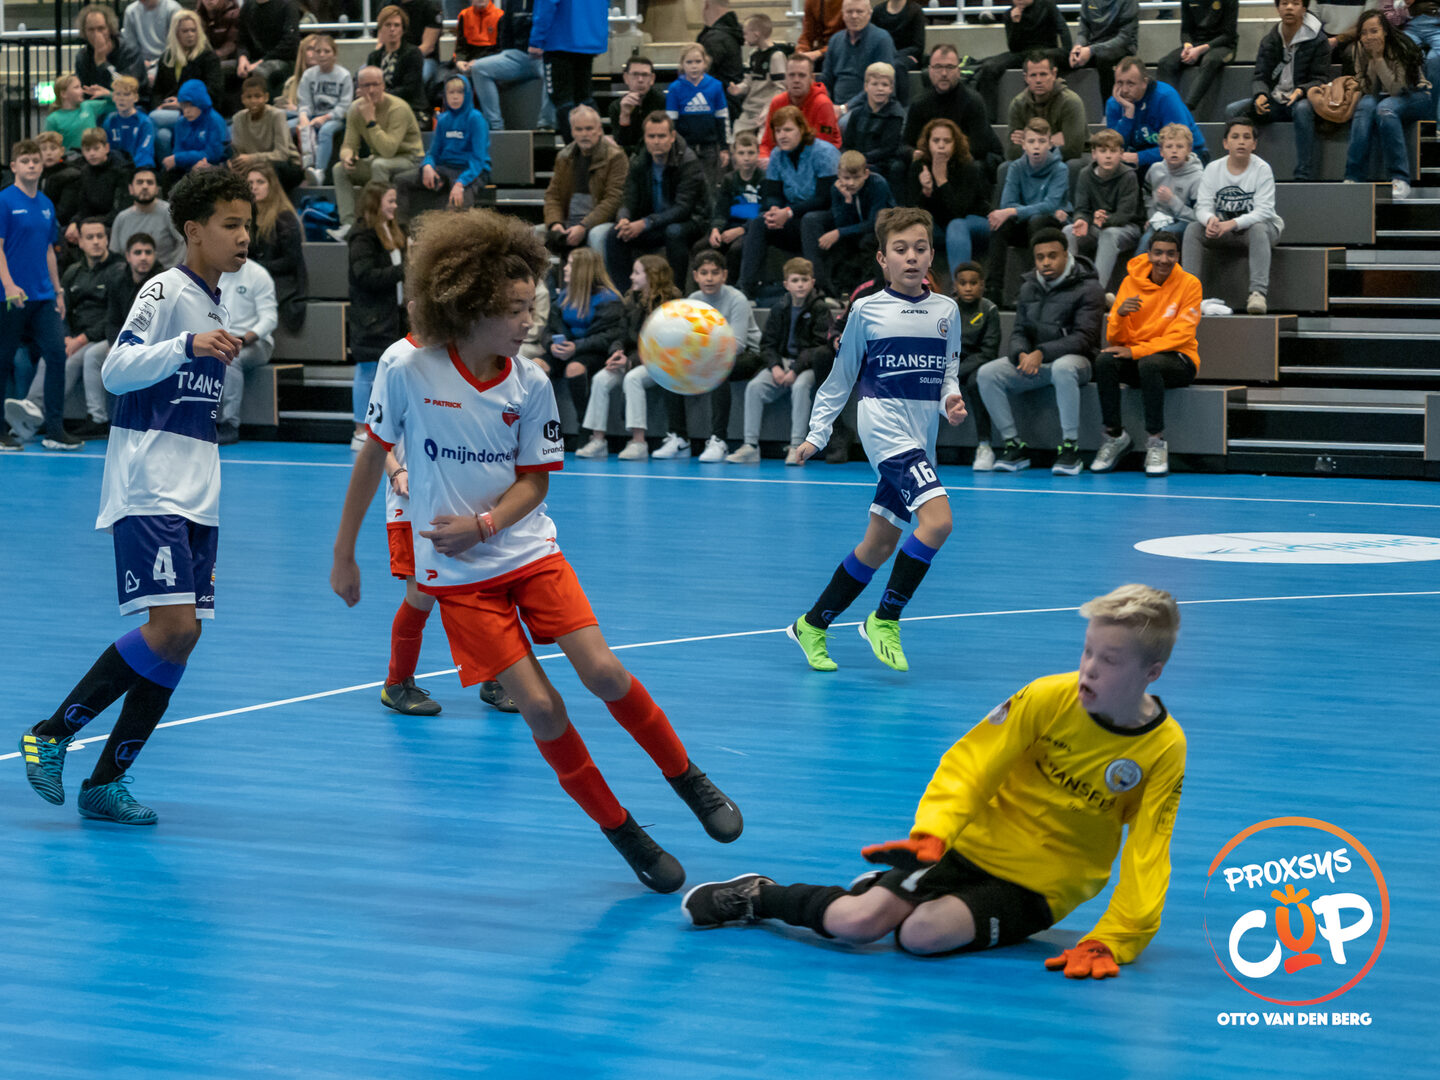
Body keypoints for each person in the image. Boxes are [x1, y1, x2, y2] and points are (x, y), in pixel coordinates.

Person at [330, 208, 744, 891]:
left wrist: (484, 525)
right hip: (458, 577)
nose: (529, 322)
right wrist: (344, 553)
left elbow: (535, 483)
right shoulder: (405, 367)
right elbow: (372, 457)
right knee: (543, 708)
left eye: (531, 306)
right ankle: (624, 832)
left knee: (603, 671)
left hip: (526, 552)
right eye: (515, 310)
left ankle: (688, 778)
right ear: (469, 307)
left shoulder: (531, 383)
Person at [684, 584, 1187, 982]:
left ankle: (892, 895)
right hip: (970, 848)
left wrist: (1116, 937)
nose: (1088, 670)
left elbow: (1149, 849)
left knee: (920, 937)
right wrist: (934, 832)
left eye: (1110, 661)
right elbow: (972, 765)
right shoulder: (1046, 698)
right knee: (858, 924)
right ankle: (758, 895)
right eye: (1087, 652)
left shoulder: (1163, 748)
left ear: (1153, 672)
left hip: (1041, 887)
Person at [16, 168, 250, 823]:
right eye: (231, 225)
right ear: (194, 231)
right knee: (171, 628)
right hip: (151, 485)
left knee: (184, 638)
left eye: (248, 225)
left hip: (198, 492)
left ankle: (104, 783)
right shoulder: (164, 290)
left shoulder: (217, 304)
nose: (243, 236)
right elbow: (118, 369)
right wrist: (186, 345)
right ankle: (51, 734)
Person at [786, 206, 965, 673]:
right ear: (883, 259)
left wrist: (951, 400)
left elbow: (948, 373)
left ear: (932, 255)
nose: (912, 257)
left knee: (880, 543)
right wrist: (816, 435)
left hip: (921, 436)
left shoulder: (947, 311)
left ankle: (811, 624)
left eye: (920, 248)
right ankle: (885, 618)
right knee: (938, 522)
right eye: (900, 250)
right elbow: (841, 378)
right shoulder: (866, 310)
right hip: (883, 426)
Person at [977, 227, 1104, 476]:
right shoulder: (1029, 286)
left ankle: (1070, 448)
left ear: (1066, 254)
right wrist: (1021, 354)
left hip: (1078, 363)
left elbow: (1084, 338)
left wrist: (1041, 353)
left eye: (1052, 256)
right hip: (1037, 362)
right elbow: (1019, 331)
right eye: (1040, 257)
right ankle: (1014, 445)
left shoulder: (1090, 288)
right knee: (987, 374)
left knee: (1063, 367)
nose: (1046, 262)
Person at [1091, 233, 1202, 477]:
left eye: (1170, 254)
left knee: (1150, 363)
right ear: (1149, 254)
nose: (1164, 259)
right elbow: (1115, 339)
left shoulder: (1190, 284)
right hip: (1140, 358)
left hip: (1179, 360)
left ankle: (1156, 441)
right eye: (1158, 253)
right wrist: (1119, 315)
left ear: (1178, 256)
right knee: (1105, 361)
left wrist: (1136, 351)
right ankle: (1115, 436)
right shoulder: (1130, 282)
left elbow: (1180, 336)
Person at [4, 218, 120, 446]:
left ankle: (34, 409)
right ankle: (32, 413)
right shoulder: (73, 272)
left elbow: (115, 315)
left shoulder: (118, 270)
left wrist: (82, 339)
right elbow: (61, 309)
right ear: (80, 242)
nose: (96, 242)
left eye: (100, 236)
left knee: (73, 357)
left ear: (107, 239)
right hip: (76, 336)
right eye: (90, 237)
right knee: (54, 353)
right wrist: (65, 336)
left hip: (103, 337)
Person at [0, 141, 82, 453]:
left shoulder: (47, 204)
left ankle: (55, 430)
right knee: (3, 360)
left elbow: (49, 251)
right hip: (9, 297)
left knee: (57, 355)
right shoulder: (4, 201)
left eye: (36, 160)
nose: (32, 165)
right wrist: (9, 285)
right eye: (25, 160)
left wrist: (58, 291)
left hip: (43, 296)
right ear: (14, 167)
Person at [725, 256, 833, 464]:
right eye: (795, 280)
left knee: (800, 386)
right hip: (782, 362)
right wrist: (775, 366)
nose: (800, 285)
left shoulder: (820, 309)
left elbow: (819, 346)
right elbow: (768, 344)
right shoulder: (779, 308)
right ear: (786, 284)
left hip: (807, 366)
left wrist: (795, 370)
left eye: (804, 280)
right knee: (754, 387)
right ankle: (750, 446)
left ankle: (796, 447)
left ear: (812, 282)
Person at [575, 254, 683, 461]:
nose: (631, 277)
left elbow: (665, 344)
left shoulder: (671, 304)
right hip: (632, 358)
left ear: (652, 275)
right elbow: (620, 333)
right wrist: (616, 352)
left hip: (661, 362)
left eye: (637, 273)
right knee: (600, 379)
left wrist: (631, 362)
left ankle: (638, 441)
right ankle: (597, 439)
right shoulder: (631, 299)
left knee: (633, 378)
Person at [1182, 117, 1283, 315]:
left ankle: (1257, 294)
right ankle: (1188, 295)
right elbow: (1202, 207)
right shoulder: (1213, 169)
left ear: (1254, 144)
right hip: (1223, 230)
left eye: (1246, 137)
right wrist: (1210, 220)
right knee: (1193, 228)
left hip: (1259, 231)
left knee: (1259, 228)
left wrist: (1231, 224)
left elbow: (1263, 211)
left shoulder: (1262, 169)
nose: (1241, 142)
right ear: (1225, 143)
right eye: (1235, 137)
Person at [739, 107, 840, 299]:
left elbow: (824, 199)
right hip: (793, 216)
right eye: (778, 131)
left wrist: (788, 212)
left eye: (787, 130)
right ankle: (746, 289)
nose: (782, 135)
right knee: (759, 221)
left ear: (801, 129)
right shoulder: (777, 155)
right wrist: (774, 210)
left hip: (826, 217)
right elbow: (772, 193)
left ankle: (819, 289)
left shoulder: (824, 152)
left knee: (810, 220)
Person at [604, 112, 711, 293]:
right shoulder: (639, 160)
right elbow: (628, 197)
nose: (656, 141)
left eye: (661, 136)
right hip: (653, 222)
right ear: (645, 138)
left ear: (672, 136)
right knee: (616, 234)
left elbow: (683, 208)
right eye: (651, 136)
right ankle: (624, 295)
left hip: (690, 221)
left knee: (674, 232)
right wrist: (624, 218)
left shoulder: (688, 161)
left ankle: (676, 293)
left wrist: (645, 223)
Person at [1225, 0, 1327, 182]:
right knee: (1233, 110)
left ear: (1304, 9)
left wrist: (1301, 91)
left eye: (1295, 3)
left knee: (1303, 109)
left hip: (1300, 100)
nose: (1289, 7)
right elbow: (1260, 76)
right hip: (1275, 101)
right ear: (1278, 8)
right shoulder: (1270, 40)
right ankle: (1239, 171)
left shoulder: (1318, 40)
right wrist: (1260, 94)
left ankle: (1304, 175)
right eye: (1284, 3)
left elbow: (1320, 79)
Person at [1343, 8, 1433, 199]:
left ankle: (1400, 177)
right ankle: (1353, 176)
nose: (1369, 37)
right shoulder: (1359, 48)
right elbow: (1367, 88)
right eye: (1364, 33)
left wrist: (1378, 59)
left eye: (1374, 31)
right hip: (1382, 95)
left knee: (1385, 109)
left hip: (1415, 95)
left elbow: (1397, 89)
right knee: (1364, 106)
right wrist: (1372, 61)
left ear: (1384, 31)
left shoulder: (1401, 46)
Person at [684, 249, 762, 461]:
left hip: (749, 355)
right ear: (695, 276)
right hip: (710, 356)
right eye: (704, 273)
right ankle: (678, 438)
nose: (709, 278)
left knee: (718, 370)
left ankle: (719, 440)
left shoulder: (737, 299)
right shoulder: (693, 300)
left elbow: (737, 344)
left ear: (724, 275)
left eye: (715, 272)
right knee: (674, 369)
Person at [347, 182, 407, 451]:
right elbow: (365, 275)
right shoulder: (362, 235)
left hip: (393, 315)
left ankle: (386, 427)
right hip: (370, 317)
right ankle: (360, 429)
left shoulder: (392, 229)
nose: (395, 205)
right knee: (367, 370)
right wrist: (403, 270)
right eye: (390, 201)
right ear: (375, 203)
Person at [542, 248, 624, 430]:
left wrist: (576, 347)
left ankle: (585, 427)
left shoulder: (609, 299)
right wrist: (551, 345)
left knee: (574, 368)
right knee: (537, 366)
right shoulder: (564, 297)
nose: (565, 268)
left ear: (583, 270)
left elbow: (609, 337)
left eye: (570, 265)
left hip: (594, 352)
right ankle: (539, 423)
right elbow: (548, 330)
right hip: (566, 350)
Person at [334, 68, 425, 230]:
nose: (371, 90)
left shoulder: (398, 108)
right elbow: (349, 144)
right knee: (340, 169)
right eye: (366, 85)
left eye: (375, 84)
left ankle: (379, 224)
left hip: (410, 159)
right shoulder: (355, 109)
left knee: (379, 165)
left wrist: (371, 121)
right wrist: (347, 156)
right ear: (359, 88)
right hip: (380, 158)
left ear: (383, 86)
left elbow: (388, 150)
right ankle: (348, 225)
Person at [985, 119, 1070, 292]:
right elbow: (1007, 203)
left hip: (1048, 224)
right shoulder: (1016, 167)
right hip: (1023, 224)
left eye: (1041, 141)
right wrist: (1012, 211)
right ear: (1023, 144)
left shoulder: (1060, 169)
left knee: (1036, 219)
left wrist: (1013, 210)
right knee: (1000, 223)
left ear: (1050, 144)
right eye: (1031, 141)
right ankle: (993, 289)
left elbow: (1050, 205)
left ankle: (1036, 286)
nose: (1036, 146)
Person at [395, 76, 492, 223]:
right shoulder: (443, 120)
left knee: (456, 202)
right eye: (451, 92)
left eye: (459, 92)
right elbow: (433, 153)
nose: (455, 97)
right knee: (401, 180)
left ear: (467, 94)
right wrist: (427, 166)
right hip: (446, 168)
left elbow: (478, 160)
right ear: (445, 96)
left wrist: (460, 183)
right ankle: (401, 230)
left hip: (471, 171)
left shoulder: (476, 119)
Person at [901, 45, 1003, 181]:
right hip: (930, 158)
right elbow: (905, 144)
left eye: (949, 67)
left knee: (974, 167)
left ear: (958, 71)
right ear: (930, 71)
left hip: (966, 160)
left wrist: (942, 156)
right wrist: (915, 154)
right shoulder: (919, 103)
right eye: (938, 67)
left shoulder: (973, 101)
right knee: (899, 167)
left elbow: (979, 147)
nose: (944, 73)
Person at [908, 119, 991, 281]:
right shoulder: (919, 167)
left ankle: (960, 287)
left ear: (955, 144)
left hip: (972, 222)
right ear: (928, 143)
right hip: (938, 226)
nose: (941, 145)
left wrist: (941, 180)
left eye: (947, 141)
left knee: (956, 225)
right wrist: (926, 192)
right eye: (936, 140)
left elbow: (959, 211)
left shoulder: (968, 167)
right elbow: (912, 211)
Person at [542, 106, 627, 262]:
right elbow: (553, 195)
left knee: (596, 235)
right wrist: (555, 223)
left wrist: (584, 226)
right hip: (568, 220)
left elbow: (614, 199)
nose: (584, 134)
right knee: (533, 234)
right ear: (572, 132)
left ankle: (600, 277)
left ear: (599, 130)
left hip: (601, 222)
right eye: (579, 129)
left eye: (589, 129)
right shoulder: (564, 157)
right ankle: (544, 279)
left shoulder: (615, 157)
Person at [808, 150, 895, 298]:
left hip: (881, 230)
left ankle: (871, 288)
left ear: (866, 174)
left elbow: (874, 223)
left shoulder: (878, 184)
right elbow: (841, 222)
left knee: (867, 241)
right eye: (846, 178)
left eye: (856, 178)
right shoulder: (837, 189)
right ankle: (832, 290)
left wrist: (839, 232)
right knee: (839, 245)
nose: (851, 183)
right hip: (856, 229)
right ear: (839, 175)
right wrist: (847, 200)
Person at [1065, 127, 1142, 290]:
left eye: (1113, 151)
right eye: (1103, 151)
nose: (1108, 156)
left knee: (1108, 235)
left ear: (1121, 154)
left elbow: (1125, 215)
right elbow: (1081, 208)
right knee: (1069, 230)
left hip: (1126, 229)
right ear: (1094, 154)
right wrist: (1081, 220)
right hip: (1096, 225)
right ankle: (1070, 285)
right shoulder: (1085, 174)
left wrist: (1102, 220)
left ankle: (1096, 291)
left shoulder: (1129, 175)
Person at [214, 253, 277, 444]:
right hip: (220, 338)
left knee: (231, 358)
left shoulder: (258, 274)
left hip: (256, 342)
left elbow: (270, 318)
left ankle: (230, 424)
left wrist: (244, 338)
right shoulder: (213, 273)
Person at [1105, 57, 1209, 171]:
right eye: (1119, 83)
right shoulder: (1114, 103)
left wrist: (1140, 157)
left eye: (1130, 84)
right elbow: (1115, 148)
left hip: (1186, 155)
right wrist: (1128, 116)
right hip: (1142, 157)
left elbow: (1179, 145)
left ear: (1144, 83)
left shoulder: (1165, 96)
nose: (1124, 90)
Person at [466, 0, 555, 132]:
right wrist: (506, 53)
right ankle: (495, 126)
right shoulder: (512, 2)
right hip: (518, 55)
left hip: (545, 55)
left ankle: (546, 125)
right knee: (479, 68)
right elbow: (505, 30)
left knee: (553, 71)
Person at [974, 0, 1073, 113]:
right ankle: (988, 117)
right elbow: (1014, 47)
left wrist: (1068, 51)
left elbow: (1063, 29)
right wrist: (1016, 24)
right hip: (1022, 53)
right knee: (989, 66)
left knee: (1057, 55)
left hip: (1047, 50)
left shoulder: (1047, 5)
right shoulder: (1009, 14)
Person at [151, 9, 224, 161]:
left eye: (193, 30)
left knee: (153, 118)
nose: (190, 34)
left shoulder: (208, 57)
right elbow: (157, 91)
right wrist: (159, 105)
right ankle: (170, 170)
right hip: (170, 112)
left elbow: (214, 92)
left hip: (199, 112)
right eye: (185, 31)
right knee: (163, 135)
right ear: (176, 33)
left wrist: (182, 104)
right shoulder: (167, 58)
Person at [530, 0, 607, 142]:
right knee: (584, 98)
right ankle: (596, 148)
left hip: (559, 41)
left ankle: (576, 150)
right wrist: (598, 38)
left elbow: (546, 4)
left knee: (562, 100)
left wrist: (536, 39)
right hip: (588, 38)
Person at [951, 263, 1002, 470]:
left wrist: (956, 373)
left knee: (975, 383)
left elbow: (989, 351)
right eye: (963, 283)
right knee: (928, 380)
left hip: (979, 365)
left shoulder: (989, 310)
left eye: (973, 283)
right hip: (952, 363)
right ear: (955, 285)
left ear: (982, 285)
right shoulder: (948, 309)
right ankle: (925, 446)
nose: (968, 288)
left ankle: (984, 445)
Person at [245, 165, 307, 333]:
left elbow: (291, 260)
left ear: (271, 185)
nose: (254, 187)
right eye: (250, 183)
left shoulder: (285, 217)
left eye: (260, 182)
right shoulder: (247, 216)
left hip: (283, 280)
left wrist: (258, 267)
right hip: (255, 276)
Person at [667, 44, 733, 188]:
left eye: (698, 61)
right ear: (682, 64)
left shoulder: (715, 86)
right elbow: (670, 123)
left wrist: (724, 148)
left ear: (705, 63)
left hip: (709, 148)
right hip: (684, 148)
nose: (694, 66)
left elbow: (722, 119)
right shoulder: (675, 88)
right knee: (686, 186)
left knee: (708, 188)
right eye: (689, 62)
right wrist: (672, 149)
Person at [703, 130, 764, 281]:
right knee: (704, 248)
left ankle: (733, 287)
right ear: (734, 155)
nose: (746, 158)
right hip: (730, 225)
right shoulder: (729, 180)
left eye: (751, 153)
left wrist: (742, 230)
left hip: (753, 228)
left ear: (758, 154)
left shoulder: (765, 179)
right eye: (741, 153)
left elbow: (765, 213)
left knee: (737, 249)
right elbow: (721, 211)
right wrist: (716, 229)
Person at [758, 54, 842, 163]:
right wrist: (764, 157)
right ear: (786, 78)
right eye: (791, 75)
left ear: (811, 78)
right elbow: (767, 143)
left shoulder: (822, 104)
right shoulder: (777, 102)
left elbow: (821, 148)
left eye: (802, 75)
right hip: (786, 156)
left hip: (820, 159)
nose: (796, 80)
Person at [1157, 0, 1240, 111]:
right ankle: (1169, 106)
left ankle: (1187, 107)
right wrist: (1187, 45)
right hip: (1195, 43)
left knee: (1210, 60)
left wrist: (1201, 49)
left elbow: (1228, 35)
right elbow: (1186, 30)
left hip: (1224, 46)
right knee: (1166, 63)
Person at [1005, 51, 1087, 163]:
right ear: (1026, 78)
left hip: (1074, 157)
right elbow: (1012, 152)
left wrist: (1030, 142)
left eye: (1043, 74)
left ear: (1054, 74)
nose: (1038, 80)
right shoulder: (1018, 104)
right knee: (1005, 167)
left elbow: (1073, 150)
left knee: (1073, 165)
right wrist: (1050, 141)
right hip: (1035, 159)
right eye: (1033, 75)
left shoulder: (1070, 101)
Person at [1137, 123, 1205, 255]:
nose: (1174, 151)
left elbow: (1198, 216)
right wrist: (1151, 216)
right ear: (1161, 151)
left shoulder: (1197, 177)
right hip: (1159, 220)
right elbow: (1146, 195)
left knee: (1162, 236)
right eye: (1169, 146)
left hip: (1186, 222)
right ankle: (1136, 269)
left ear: (1189, 149)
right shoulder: (1155, 170)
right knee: (1146, 241)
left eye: (1180, 146)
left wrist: (1172, 200)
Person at [295, 34, 353, 185]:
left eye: (327, 51)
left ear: (334, 54)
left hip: (335, 118)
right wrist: (303, 116)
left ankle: (319, 171)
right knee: (290, 126)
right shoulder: (308, 75)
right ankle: (300, 170)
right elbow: (304, 101)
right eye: (318, 51)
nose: (322, 55)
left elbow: (345, 106)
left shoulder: (344, 75)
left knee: (325, 131)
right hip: (313, 114)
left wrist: (325, 117)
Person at [58, 129, 130, 248]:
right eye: (87, 150)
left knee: (92, 235)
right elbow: (83, 207)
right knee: (65, 233)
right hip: (91, 222)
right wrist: (74, 222)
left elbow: (119, 211)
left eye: (96, 149)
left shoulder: (121, 172)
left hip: (115, 224)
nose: (92, 153)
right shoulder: (85, 172)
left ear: (106, 148)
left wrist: (87, 224)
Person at [839, 62, 907, 188]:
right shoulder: (857, 113)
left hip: (881, 164)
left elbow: (887, 149)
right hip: (857, 162)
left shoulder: (895, 114)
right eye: (874, 84)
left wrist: (860, 160)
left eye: (884, 84)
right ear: (866, 86)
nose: (879, 89)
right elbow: (848, 143)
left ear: (891, 88)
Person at [231, 75, 303, 193]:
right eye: (249, 97)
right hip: (254, 167)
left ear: (266, 97)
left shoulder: (277, 115)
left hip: (286, 166)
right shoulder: (238, 118)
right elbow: (239, 153)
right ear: (242, 99)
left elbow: (282, 155)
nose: (253, 101)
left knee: (275, 168)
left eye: (257, 96)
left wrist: (252, 158)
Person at [820, 0, 898, 109]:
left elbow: (880, 85)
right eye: (849, 12)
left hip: (868, 108)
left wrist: (844, 108)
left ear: (869, 14)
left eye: (859, 11)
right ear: (843, 15)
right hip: (836, 107)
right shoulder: (835, 40)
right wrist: (825, 105)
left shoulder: (882, 40)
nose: (854, 16)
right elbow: (826, 80)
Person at [110, 167, 186, 270]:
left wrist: (173, 269)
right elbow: (115, 255)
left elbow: (184, 243)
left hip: (166, 273)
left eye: (150, 182)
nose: (145, 186)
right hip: (131, 276)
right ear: (131, 189)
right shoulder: (121, 218)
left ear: (157, 189)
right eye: (140, 182)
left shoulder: (169, 212)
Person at [732, 15, 794, 137]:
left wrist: (769, 108)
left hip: (767, 111)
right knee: (737, 138)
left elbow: (781, 88)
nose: (744, 37)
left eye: (745, 33)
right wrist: (739, 88)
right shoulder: (753, 55)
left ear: (756, 34)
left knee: (763, 141)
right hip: (750, 110)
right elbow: (748, 82)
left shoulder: (776, 56)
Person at [161, 80, 230, 190]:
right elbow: (177, 150)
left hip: (212, 166)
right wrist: (188, 163)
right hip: (188, 167)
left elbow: (213, 154)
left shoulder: (215, 121)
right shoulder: (181, 123)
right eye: (183, 106)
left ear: (201, 102)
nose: (186, 111)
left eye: (191, 106)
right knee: (168, 170)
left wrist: (180, 158)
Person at [1069, 0, 1140, 101]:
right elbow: (1084, 31)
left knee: (1103, 60)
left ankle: (1109, 109)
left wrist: (1092, 50)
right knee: (1061, 58)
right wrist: (1078, 46)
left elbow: (1124, 38)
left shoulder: (1129, 2)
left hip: (1121, 48)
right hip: (1093, 47)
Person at [368, 6, 428, 123]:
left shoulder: (413, 53)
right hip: (380, 106)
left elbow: (409, 89)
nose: (392, 29)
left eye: (396, 25)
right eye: (388, 25)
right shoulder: (374, 57)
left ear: (402, 29)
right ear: (380, 29)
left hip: (409, 107)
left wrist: (380, 96)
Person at [75, 4, 144, 105]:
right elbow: (84, 91)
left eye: (101, 28)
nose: (96, 34)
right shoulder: (82, 56)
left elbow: (128, 86)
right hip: (96, 105)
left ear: (110, 29)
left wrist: (103, 64)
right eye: (91, 30)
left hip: (131, 105)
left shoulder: (129, 51)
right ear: (84, 32)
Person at [236, 0, 302, 99]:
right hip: (253, 60)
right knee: (223, 69)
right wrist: (242, 57)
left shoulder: (288, 5)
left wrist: (261, 61)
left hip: (283, 59)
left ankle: (263, 108)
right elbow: (241, 40)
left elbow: (290, 44)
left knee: (260, 72)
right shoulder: (248, 6)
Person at [608, 57, 668, 154]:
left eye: (645, 75)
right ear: (626, 78)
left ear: (652, 79)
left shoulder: (664, 102)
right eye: (635, 74)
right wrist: (625, 115)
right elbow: (621, 145)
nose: (640, 80)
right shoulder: (616, 106)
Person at [870, 0, 927, 93]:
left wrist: (894, 55)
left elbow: (918, 46)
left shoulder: (915, 11)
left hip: (906, 58)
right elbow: (873, 40)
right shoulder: (878, 11)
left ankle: (900, 101)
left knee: (897, 65)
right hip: (883, 55)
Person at [698, 0, 746, 110]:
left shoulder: (714, 39)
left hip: (718, 104)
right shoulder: (731, 32)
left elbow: (703, 77)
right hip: (732, 102)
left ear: (706, 5)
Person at [45, 74, 114, 151]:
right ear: (64, 94)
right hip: (70, 158)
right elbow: (50, 148)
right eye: (76, 87)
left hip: (93, 156)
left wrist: (107, 93)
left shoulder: (88, 106)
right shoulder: (53, 119)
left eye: (80, 87)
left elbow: (117, 105)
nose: (82, 91)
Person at [103, 76, 156, 171]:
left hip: (139, 168)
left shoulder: (144, 122)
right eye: (118, 94)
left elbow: (144, 152)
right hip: (117, 168)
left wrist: (130, 170)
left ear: (135, 98)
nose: (121, 98)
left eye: (126, 94)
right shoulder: (110, 120)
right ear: (113, 97)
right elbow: (107, 150)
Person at [123, 0, 183, 70]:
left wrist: (157, 63)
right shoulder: (131, 11)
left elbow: (178, 43)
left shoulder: (173, 9)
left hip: (168, 60)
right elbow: (130, 44)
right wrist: (140, 62)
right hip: (141, 61)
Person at [453, 0, 504, 80]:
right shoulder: (464, 15)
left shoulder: (500, 16)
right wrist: (459, 60)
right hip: (468, 58)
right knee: (451, 80)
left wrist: (479, 62)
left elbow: (501, 49)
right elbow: (460, 45)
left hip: (491, 58)